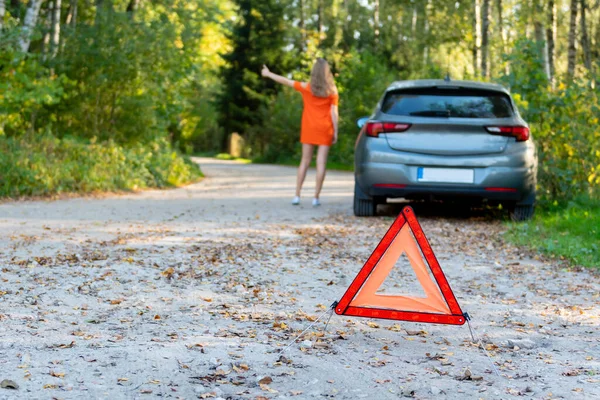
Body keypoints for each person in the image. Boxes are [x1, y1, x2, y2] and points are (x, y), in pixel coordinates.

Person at [261, 58, 339, 207]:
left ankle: (297, 195)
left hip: (309, 128)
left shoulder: (307, 87)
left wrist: (269, 74)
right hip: (325, 128)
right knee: (321, 163)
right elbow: (334, 113)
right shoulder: (332, 91)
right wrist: (335, 131)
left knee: (305, 161)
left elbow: (286, 81)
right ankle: (316, 198)